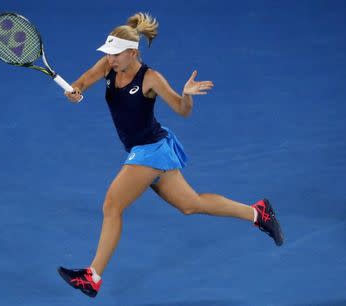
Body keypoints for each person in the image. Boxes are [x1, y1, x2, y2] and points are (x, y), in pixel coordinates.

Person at [57, 12, 284, 298]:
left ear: (132, 53)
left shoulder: (151, 78)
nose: (111, 59)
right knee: (191, 204)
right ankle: (258, 213)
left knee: (112, 205)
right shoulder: (107, 66)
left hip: (149, 152)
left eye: (116, 55)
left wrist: (186, 94)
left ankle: (92, 277)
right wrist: (75, 91)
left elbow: (182, 110)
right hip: (151, 150)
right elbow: (83, 81)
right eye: (109, 54)